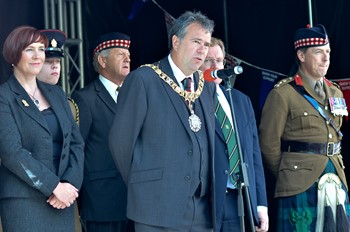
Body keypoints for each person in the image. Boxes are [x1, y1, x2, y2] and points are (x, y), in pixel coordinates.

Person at [109, 11, 216, 232]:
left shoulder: (206, 87)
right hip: (155, 206)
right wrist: (145, 184)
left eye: (206, 44)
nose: (202, 50)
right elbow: (121, 143)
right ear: (175, 41)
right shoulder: (143, 79)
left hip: (201, 210)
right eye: (196, 41)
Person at [259, 24, 350, 231]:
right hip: (298, 182)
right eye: (318, 52)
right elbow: (268, 144)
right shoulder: (283, 93)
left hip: (335, 178)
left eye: (327, 52)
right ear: (301, 55)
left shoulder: (335, 93)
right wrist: (290, 173)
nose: (326, 58)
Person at [0, 26, 84, 231]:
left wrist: (69, 185)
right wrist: (54, 187)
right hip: (25, 201)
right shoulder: (4, 96)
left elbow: (76, 143)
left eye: (41, 49)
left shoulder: (56, 93)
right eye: (30, 49)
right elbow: (12, 152)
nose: (38, 55)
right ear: (14, 54)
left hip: (62, 199)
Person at [200, 37, 269, 232]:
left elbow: (254, 155)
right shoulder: (191, 100)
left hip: (241, 199)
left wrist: (261, 205)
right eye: (208, 60)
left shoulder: (240, 100)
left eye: (219, 60)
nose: (215, 65)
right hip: (208, 202)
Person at [71, 32, 133, 232]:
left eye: (128, 54)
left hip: (138, 203)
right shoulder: (85, 98)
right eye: (120, 53)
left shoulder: (136, 95)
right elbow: (77, 149)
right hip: (103, 203)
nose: (128, 58)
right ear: (102, 60)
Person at [37, 29, 79, 125]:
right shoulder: (25, 94)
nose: (55, 66)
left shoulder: (60, 94)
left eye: (58, 61)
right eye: (48, 62)